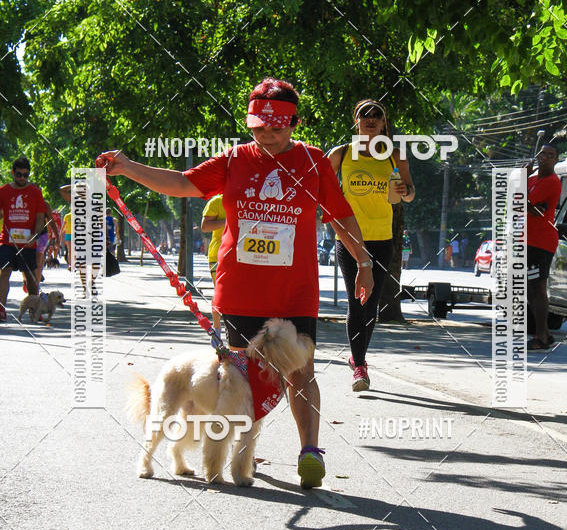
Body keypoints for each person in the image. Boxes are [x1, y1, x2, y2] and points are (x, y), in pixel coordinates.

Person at [98, 77, 374, 489]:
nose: (266, 133)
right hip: (239, 291)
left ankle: (310, 451)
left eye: (276, 126)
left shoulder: (313, 161)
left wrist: (364, 262)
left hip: (294, 292)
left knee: (300, 372)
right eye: (258, 126)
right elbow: (181, 183)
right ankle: (241, 451)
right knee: (238, 378)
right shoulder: (233, 160)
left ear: (294, 123)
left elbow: (340, 214)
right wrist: (127, 167)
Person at [327, 99, 415, 391]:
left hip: (382, 239)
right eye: (365, 115)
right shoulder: (342, 153)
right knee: (356, 301)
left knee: (372, 306)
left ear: (383, 123)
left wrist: (405, 190)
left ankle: (357, 358)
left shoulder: (395, 156)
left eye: (377, 116)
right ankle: (360, 364)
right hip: (350, 239)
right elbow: (319, 186)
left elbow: (410, 193)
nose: (371, 119)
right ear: (356, 121)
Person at [0, 156, 46, 323]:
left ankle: (36, 309)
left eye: (26, 175)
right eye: (19, 174)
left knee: (30, 277)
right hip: (7, 242)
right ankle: (1, 309)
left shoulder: (35, 192)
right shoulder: (3, 191)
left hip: (28, 242)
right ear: (13, 173)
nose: (22, 178)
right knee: (4, 273)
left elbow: (40, 217)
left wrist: (35, 235)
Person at [526, 143, 561, 350]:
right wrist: (529, 207)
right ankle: (544, 333)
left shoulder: (551, 182)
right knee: (530, 287)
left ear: (556, 160)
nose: (545, 158)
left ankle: (541, 336)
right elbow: (517, 202)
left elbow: (523, 200)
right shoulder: (531, 179)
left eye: (551, 155)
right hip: (527, 239)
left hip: (541, 241)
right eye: (543, 153)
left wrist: (529, 206)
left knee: (538, 287)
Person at [201, 193, 226, 337]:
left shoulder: (247, 199)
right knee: (220, 292)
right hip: (218, 254)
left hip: (243, 254)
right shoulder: (217, 201)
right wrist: (229, 220)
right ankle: (217, 329)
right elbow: (204, 226)